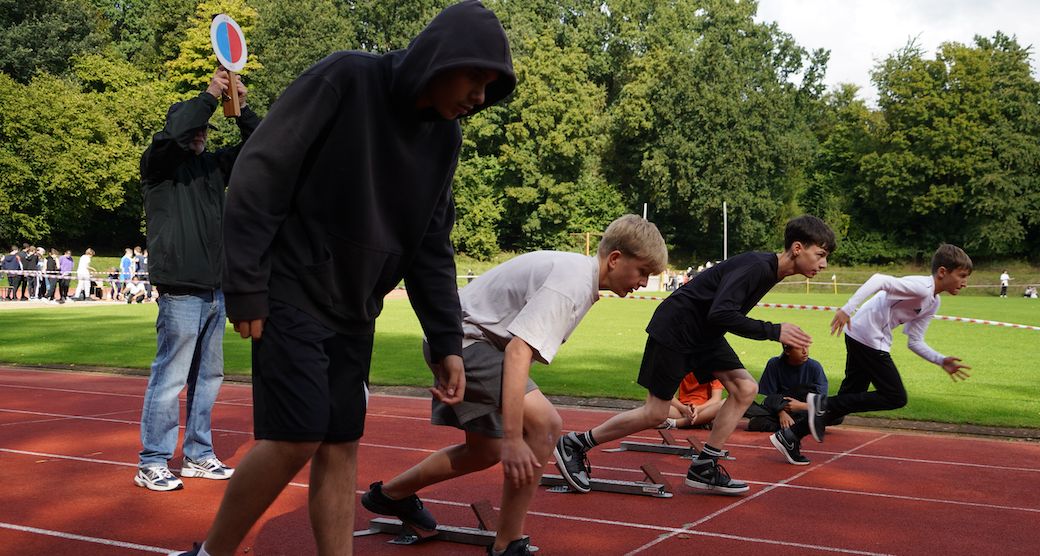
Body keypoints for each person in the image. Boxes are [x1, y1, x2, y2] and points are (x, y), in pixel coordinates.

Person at [173, 3, 517, 556]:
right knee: (297, 435)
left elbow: (432, 244)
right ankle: (212, 553)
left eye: (490, 86)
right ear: (440, 59)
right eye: (475, 77)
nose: (480, 97)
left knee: (340, 442)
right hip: (290, 285)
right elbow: (261, 172)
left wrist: (448, 341)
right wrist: (246, 285)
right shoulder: (346, 78)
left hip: (356, 307)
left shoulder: (445, 140)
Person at [363, 215, 666, 556]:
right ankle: (507, 544)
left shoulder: (578, 276)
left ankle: (390, 494)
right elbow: (518, 352)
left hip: (460, 341)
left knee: (483, 451)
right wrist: (513, 436)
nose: (643, 282)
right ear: (615, 259)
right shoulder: (572, 283)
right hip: (464, 344)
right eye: (642, 271)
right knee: (546, 425)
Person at [554, 215, 835, 495]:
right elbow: (722, 312)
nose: (823, 264)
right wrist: (773, 330)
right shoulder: (757, 267)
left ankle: (705, 465)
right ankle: (576, 443)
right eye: (820, 254)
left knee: (745, 388)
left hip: (705, 333)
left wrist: (771, 331)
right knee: (655, 413)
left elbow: (719, 313)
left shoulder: (770, 270)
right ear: (798, 248)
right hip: (677, 328)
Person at [134, 66, 258, 492]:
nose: (201, 134)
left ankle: (198, 454)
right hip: (181, 289)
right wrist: (208, 95)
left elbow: (260, 143)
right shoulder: (158, 165)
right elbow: (177, 132)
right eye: (195, 128)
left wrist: (239, 105)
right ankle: (152, 460)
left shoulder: (212, 169)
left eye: (205, 129)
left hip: (214, 288)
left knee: (208, 378)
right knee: (170, 376)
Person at [770, 244, 974, 466]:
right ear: (943, 272)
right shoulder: (922, 287)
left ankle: (790, 436)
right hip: (868, 337)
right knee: (895, 396)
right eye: (961, 275)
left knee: (842, 405)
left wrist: (940, 360)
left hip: (861, 335)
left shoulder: (933, 301)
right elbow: (879, 280)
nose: (965, 282)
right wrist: (848, 309)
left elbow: (915, 341)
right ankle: (817, 405)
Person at [744, 344, 829, 434]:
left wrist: (800, 406)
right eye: (799, 348)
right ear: (787, 351)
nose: (805, 351)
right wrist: (781, 412)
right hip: (778, 407)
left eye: (806, 347)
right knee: (745, 406)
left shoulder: (815, 367)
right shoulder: (774, 364)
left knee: (836, 414)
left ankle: (791, 424)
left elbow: (821, 401)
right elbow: (769, 398)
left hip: (805, 409)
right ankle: (801, 425)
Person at [658, 374, 724, 430]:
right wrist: (684, 408)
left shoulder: (713, 368)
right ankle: (700, 422)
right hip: (683, 410)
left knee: (724, 403)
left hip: (704, 410)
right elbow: (669, 395)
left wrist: (698, 409)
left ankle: (674, 423)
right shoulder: (681, 367)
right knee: (656, 404)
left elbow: (716, 399)